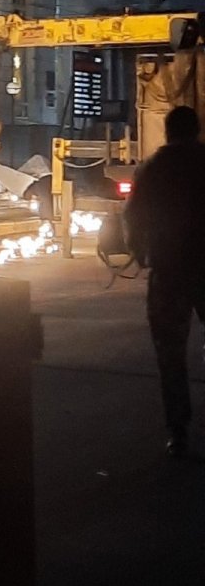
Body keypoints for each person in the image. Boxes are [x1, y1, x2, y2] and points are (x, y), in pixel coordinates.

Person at [124, 105, 205, 457]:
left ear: (168, 132)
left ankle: (178, 431)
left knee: (170, 353)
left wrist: (140, 253)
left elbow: (134, 215)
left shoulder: (152, 169)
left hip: (169, 270)